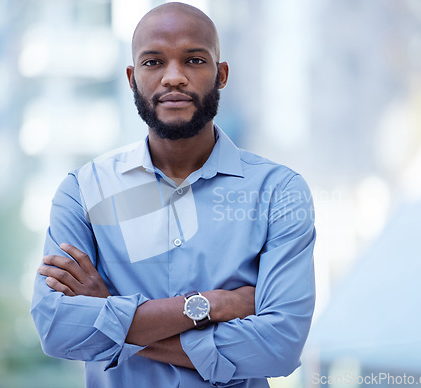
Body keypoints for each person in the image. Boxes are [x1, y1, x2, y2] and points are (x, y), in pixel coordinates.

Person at [31, 2, 316, 387]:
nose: (174, 78)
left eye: (195, 60)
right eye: (153, 62)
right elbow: (57, 329)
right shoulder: (82, 191)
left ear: (222, 74)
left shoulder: (278, 192)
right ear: (132, 78)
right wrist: (211, 306)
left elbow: (278, 346)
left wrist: (109, 315)